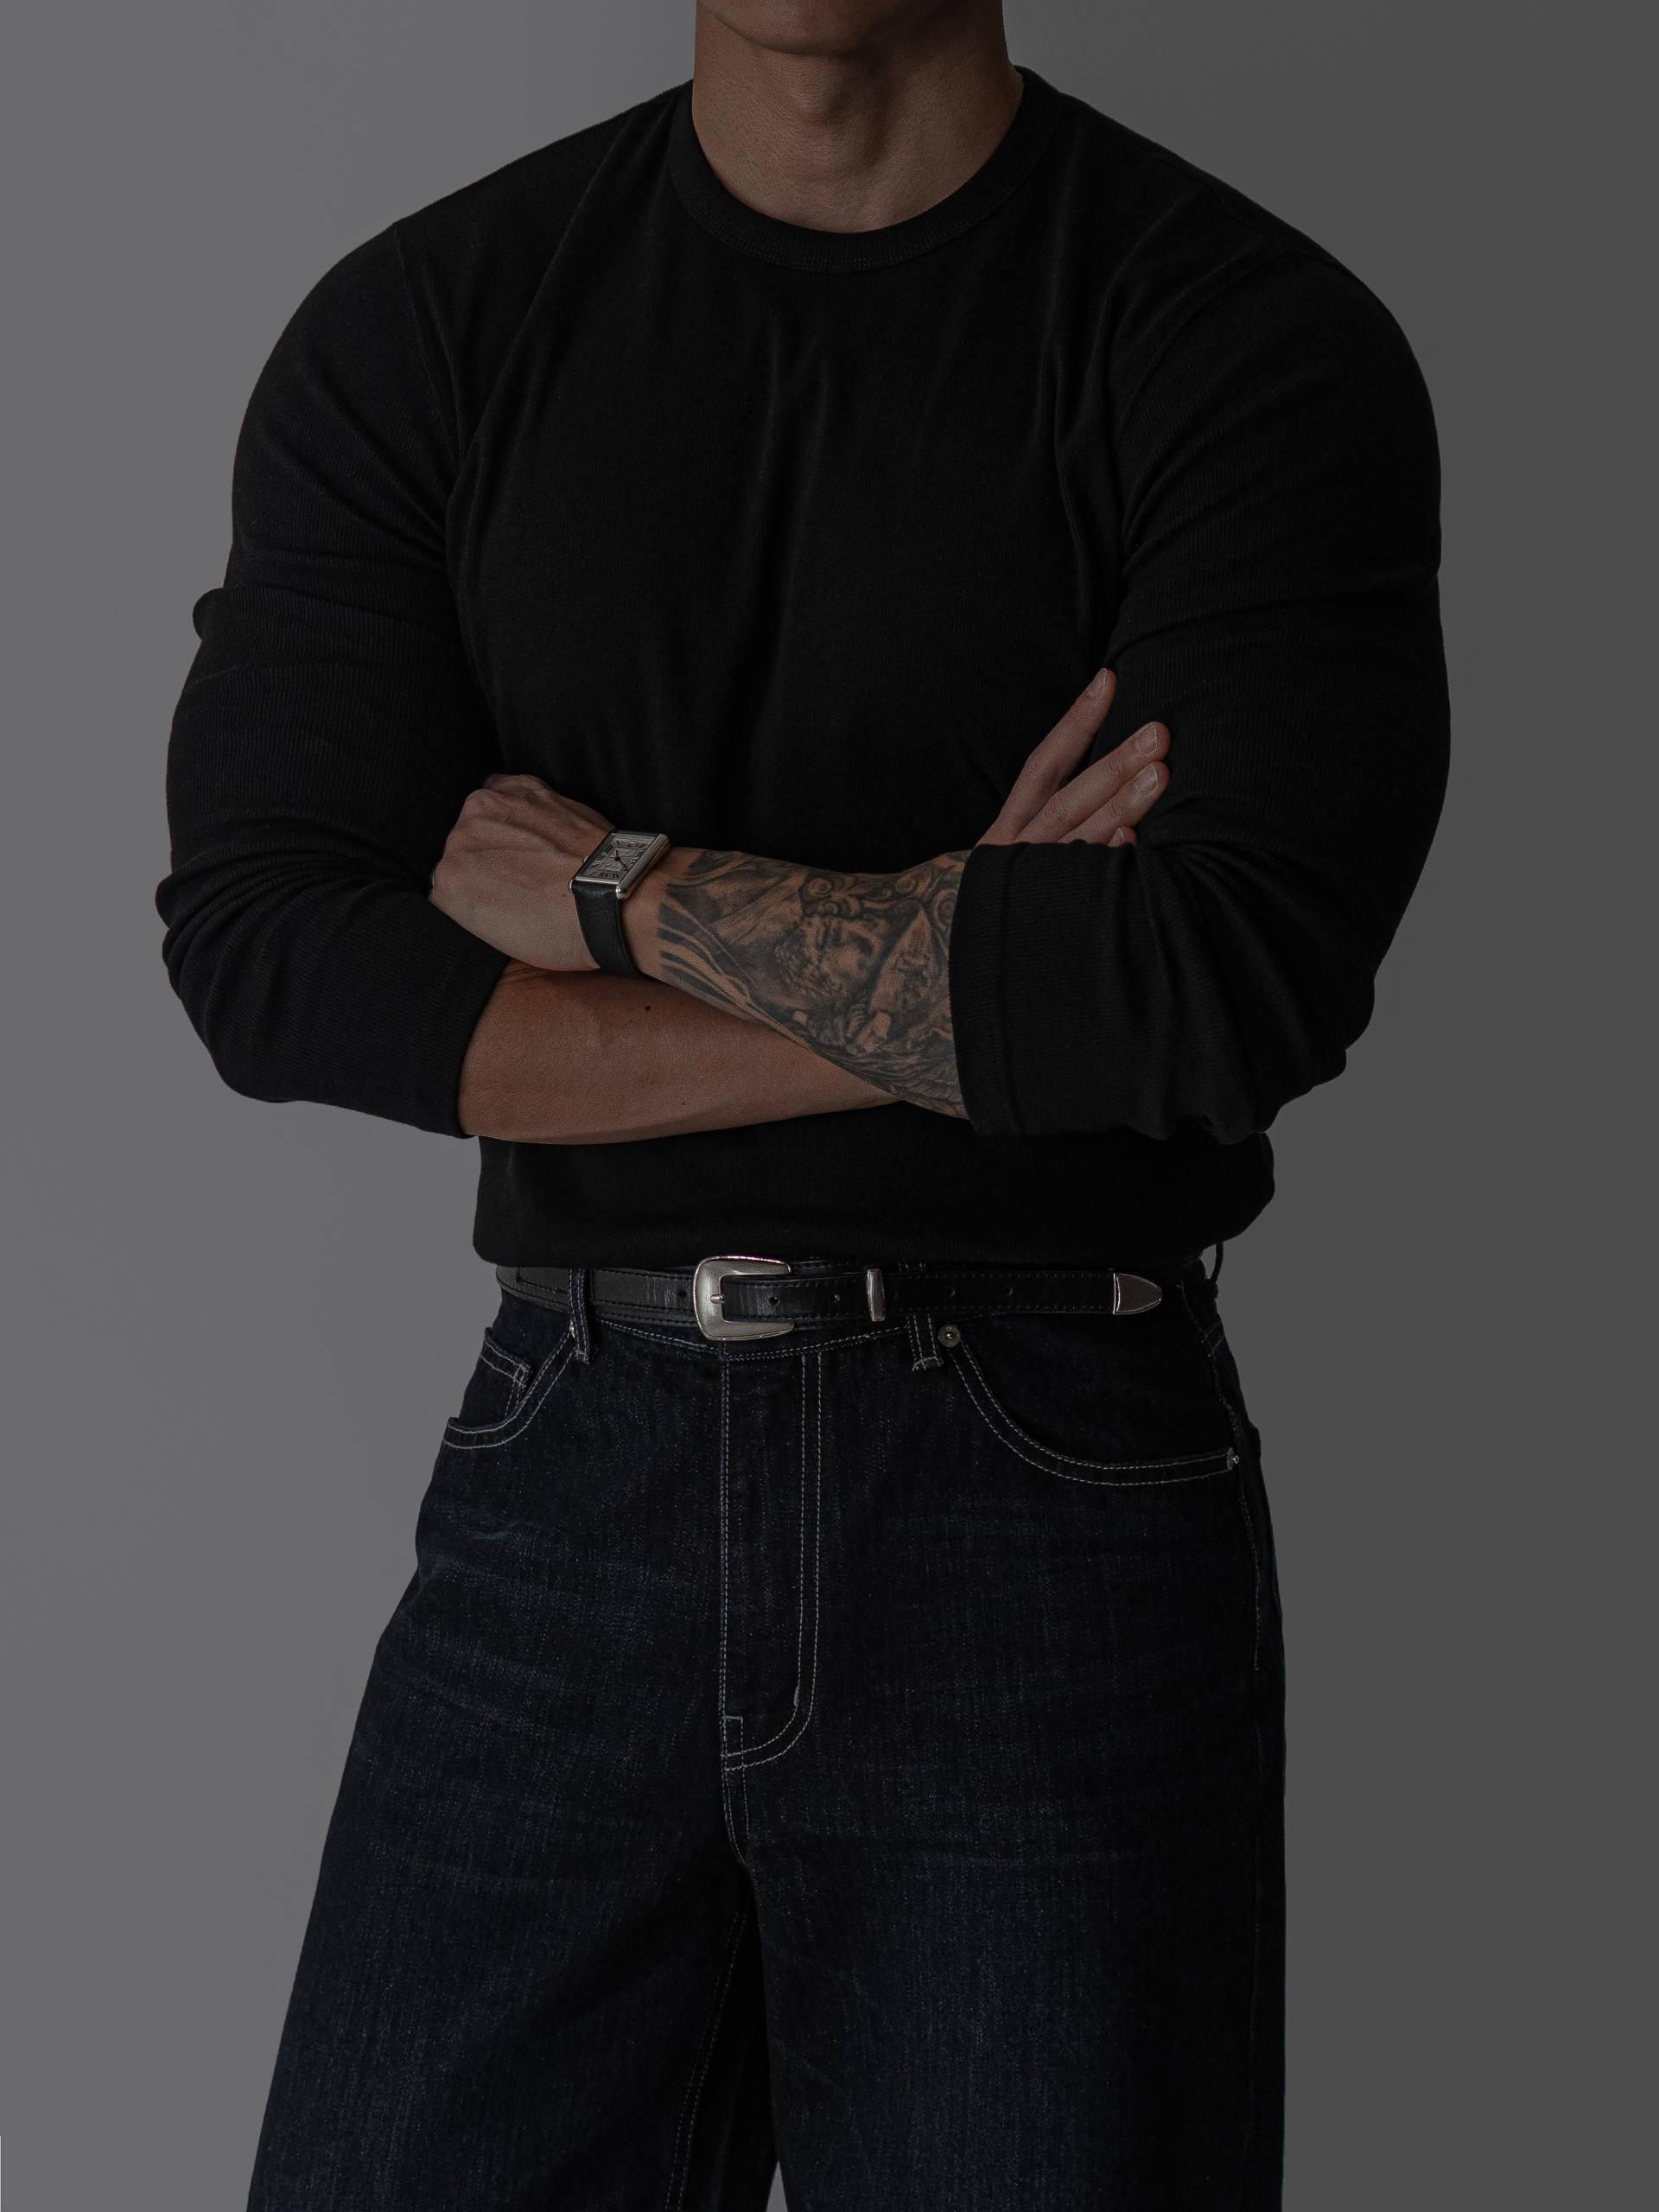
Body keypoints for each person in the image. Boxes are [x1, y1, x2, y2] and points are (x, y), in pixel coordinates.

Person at [155, 3, 1449, 2204]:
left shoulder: (1241, 336)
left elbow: (1222, 982)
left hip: (1049, 1477)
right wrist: (964, 960)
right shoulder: (432, 322)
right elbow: (276, 953)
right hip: (572, 1469)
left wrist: (626, 889)